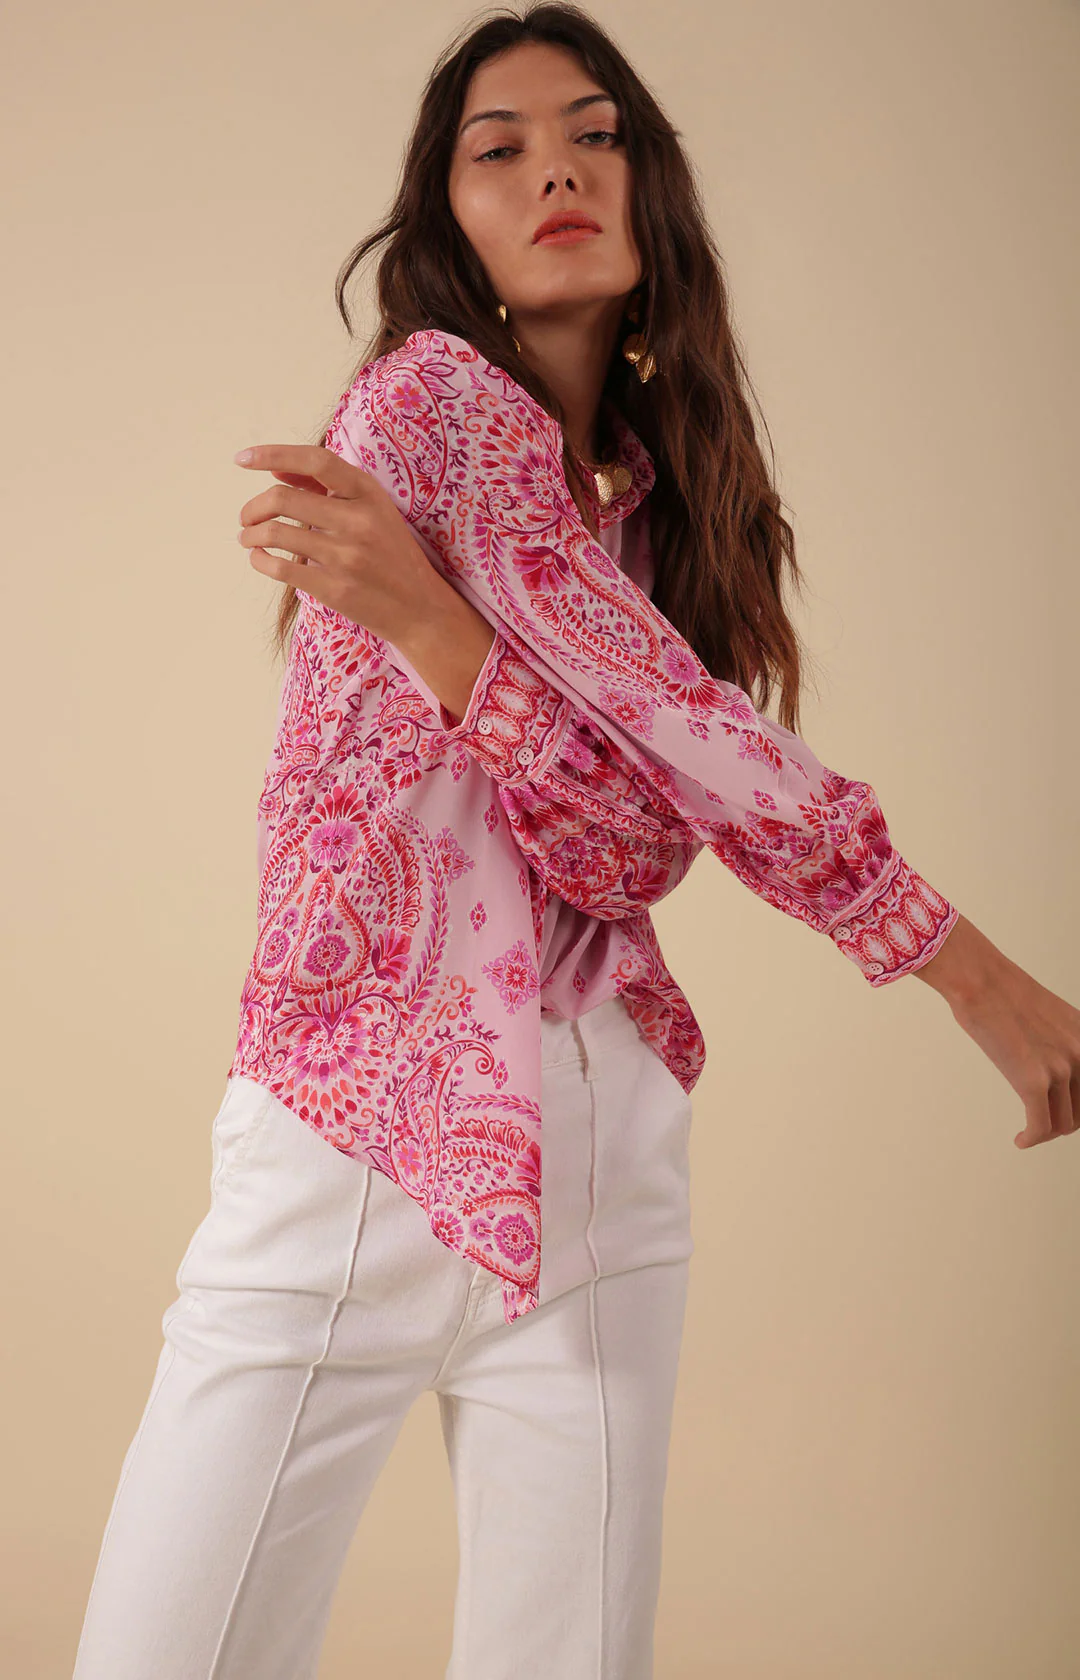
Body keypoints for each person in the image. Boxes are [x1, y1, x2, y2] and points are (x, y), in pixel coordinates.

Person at [71, 6, 1079, 1678]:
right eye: (503, 148)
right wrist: (978, 979)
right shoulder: (425, 405)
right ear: (446, 222)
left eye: (596, 135)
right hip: (359, 1129)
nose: (557, 170)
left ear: (648, 186)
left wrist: (443, 634)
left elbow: (629, 851)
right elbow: (685, 753)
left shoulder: (644, 509)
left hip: (602, 1147)